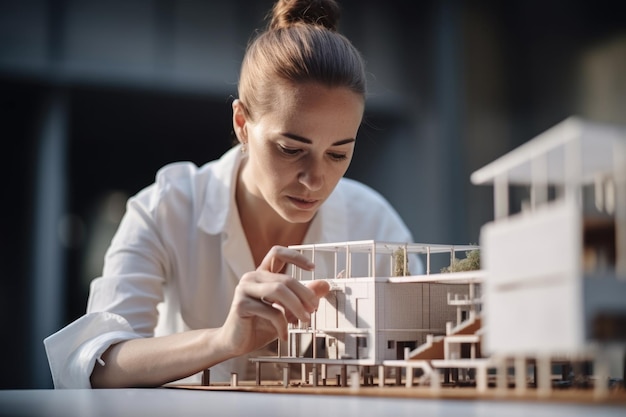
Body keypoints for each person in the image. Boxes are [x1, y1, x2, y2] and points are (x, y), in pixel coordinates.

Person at [44, 0, 422, 389]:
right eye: (291, 149)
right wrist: (222, 340)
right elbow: (95, 365)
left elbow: (427, 346)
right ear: (242, 123)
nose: (316, 179)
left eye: (338, 153)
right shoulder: (167, 207)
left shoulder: (375, 222)